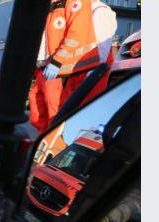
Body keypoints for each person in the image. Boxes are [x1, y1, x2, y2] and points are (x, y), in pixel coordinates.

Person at [29, 0, 101, 134]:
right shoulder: (52, 4)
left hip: (65, 69)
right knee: (38, 108)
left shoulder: (74, 2)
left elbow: (77, 33)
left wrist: (57, 61)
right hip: (47, 67)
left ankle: (54, 146)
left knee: (55, 111)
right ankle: (42, 142)